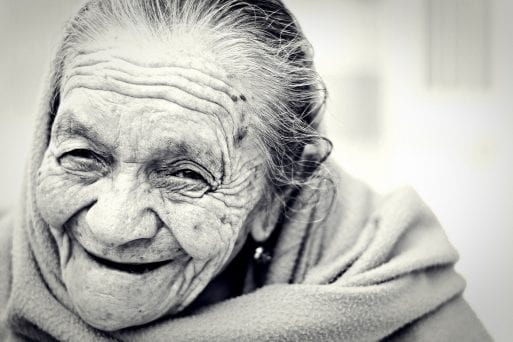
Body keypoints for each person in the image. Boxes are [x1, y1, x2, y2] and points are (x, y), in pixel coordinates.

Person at [0, 0, 491, 340]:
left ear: (273, 199)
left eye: (186, 175)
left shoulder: (396, 308)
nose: (112, 224)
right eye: (82, 156)